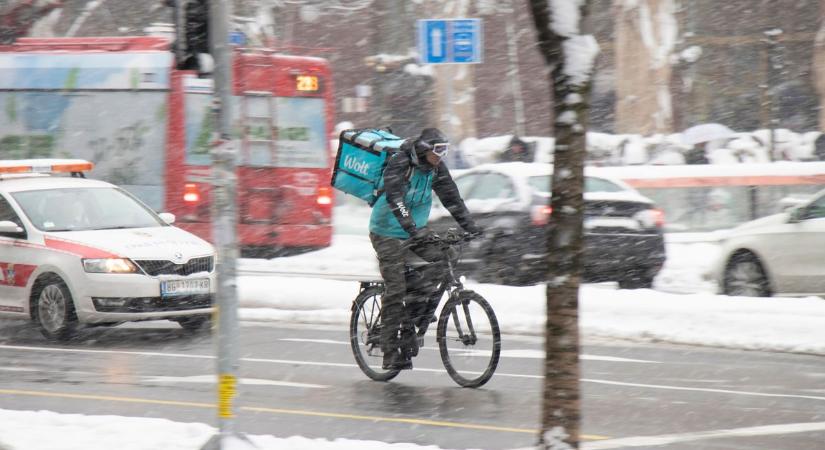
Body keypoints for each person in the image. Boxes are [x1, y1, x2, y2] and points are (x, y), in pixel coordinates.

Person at [369, 127, 481, 371]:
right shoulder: (401, 163)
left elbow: (452, 198)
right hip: (386, 231)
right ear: (424, 149)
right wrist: (411, 228)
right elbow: (395, 199)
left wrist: (470, 226)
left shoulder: (436, 169)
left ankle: (412, 315)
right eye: (438, 151)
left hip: (416, 230)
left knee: (446, 256)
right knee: (396, 289)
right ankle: (390, 348)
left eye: (445, 151)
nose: (441, 156)